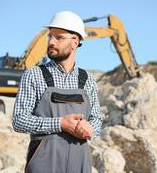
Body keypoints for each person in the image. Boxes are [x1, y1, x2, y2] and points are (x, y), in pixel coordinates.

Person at [12, 11, 102, 173]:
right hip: (45, 161)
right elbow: (19, 121)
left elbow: (96, 119)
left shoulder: (88, 79)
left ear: (75, 42)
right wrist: (61, 123)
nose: (51, 41)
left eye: (58, 37)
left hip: (79, 160)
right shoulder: (34, 74)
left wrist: (89, 128)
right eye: (50, 36)